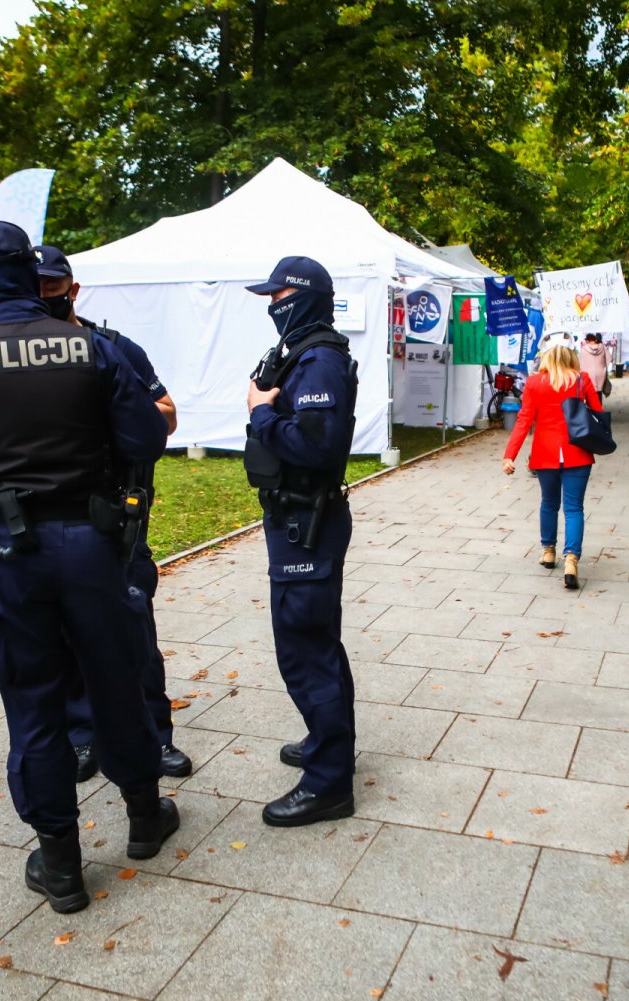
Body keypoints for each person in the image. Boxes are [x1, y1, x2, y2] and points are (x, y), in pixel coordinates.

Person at [0, 221, 176, 914]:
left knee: (33, 704)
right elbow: (146, 436)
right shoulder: (94, 348)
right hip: (91, 543)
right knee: (114, 679)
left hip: (7, 553)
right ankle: (144, 814)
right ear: (29, 273)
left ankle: (61, 864)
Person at [34, 245, 192, 784]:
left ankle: (155, 735)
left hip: (116, 522)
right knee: (65, 636)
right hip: (49, 520)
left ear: (72, 290)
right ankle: (83, 738)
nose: (42, 298)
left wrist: (116, 414)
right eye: (33, 289)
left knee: (133, 627)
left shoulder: (115, 348)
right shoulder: (18, 360)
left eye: (51, 288)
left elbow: (167, 415)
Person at [244, 255, 360, 827]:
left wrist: (261, 415)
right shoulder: (304, 352)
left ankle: (329, 784)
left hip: (305, 524)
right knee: (317, 643)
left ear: (305, 296)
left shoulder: (317, 361)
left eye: (278, 296)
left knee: (304, 650)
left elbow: (317, 446)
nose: (271, 306)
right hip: (296, 519)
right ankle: (328, 743)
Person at [502, 342, 603, 589]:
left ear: (547, 359)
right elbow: (598, 412)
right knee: (574, 507)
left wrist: (509, 455)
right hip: (577, 452)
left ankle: (548, 552)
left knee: (548, 503)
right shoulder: (582, 380)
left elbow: (524, 420)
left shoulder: (535, 383)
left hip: (545, 453)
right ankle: (571, 560)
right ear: (571, 359)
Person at [580, 332, 610, 397]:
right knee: (599, 394)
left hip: (588, 375)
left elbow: (580, 363)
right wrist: (603, 366)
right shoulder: (603, 347)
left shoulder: (583, 349)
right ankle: (599, 406)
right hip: (601, 374)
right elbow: (609, 359)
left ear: (587, 340)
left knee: (590, 397)